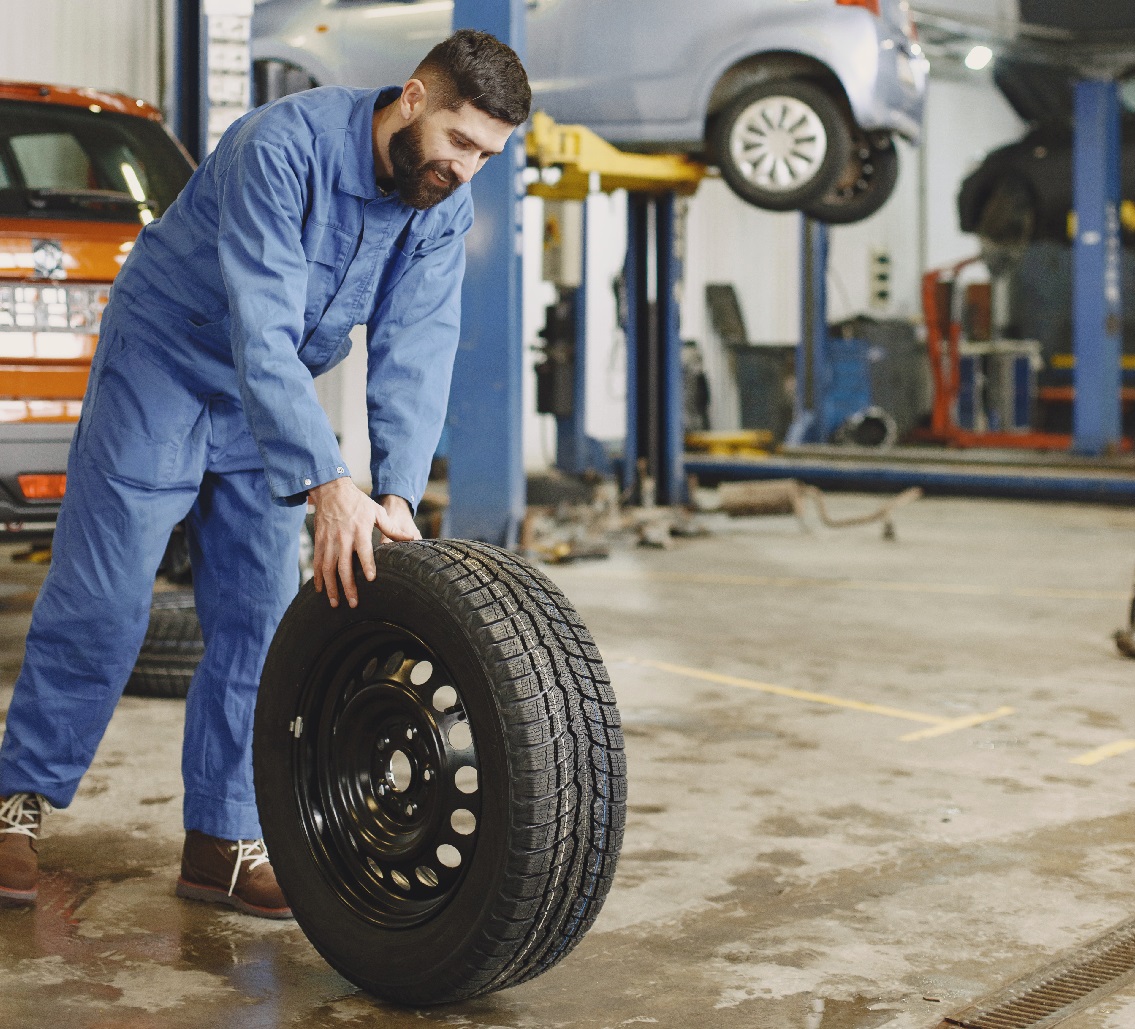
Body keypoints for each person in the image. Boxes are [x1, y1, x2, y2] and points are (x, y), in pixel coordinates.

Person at [0, 30, 531, 917]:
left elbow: (418, 347)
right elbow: (262, 321)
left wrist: (394, 491)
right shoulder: (280, 148)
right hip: (165, 368)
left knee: (257, 614)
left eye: (487, 154)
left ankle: (221, 835)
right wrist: (327, 484)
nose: (466, 168)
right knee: (106, 597)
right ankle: (17, 800)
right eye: (459, 141)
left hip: (265, 404)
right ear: (412, 98)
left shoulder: (440, 204)